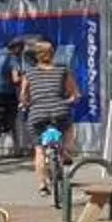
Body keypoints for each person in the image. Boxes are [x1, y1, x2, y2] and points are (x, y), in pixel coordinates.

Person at [22, 42, 77, 188]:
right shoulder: (63, 70)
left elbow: (23, 96)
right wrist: (70, 99)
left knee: (39, 150)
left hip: (37, 113)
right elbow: (73, 94)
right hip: (59, 110)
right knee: (69, 127)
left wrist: (26, 103)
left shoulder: (29, 73)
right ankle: (65, 150)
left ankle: (42, 184)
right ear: (53, 54)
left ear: (36, 56)